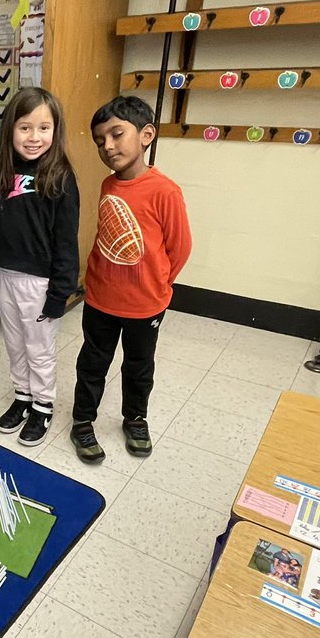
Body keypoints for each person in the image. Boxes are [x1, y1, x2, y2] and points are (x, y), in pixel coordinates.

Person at [69, 95, 191, 464]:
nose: (107, 145)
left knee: (139, 366)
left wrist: (157, 286)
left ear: (146, 134)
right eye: (99, 140)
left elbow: (180, 247)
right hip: (100, 300)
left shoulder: (165, 190)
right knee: (93, 362)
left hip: (145, 304)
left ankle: (135, 419)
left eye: (117, 134)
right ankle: (81, 421)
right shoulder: (108, 185)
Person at [0, 87, 80, 447]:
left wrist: (60, 293)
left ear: (55, 132)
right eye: (25, 127)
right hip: (6, 275)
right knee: (14, 344)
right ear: (11, 129)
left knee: (39, 348)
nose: (34, 137)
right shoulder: (2, 171)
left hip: (40, 282)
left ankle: (43, 405)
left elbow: (67, 241)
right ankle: (22, 396)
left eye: (44, 128)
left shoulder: (60, 176)